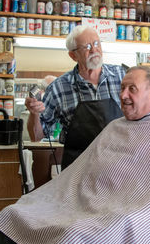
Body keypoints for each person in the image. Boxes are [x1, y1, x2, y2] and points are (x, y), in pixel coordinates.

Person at [0, 66, 150, 244]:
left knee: (73, 236)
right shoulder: (114, 127)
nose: (123, 95)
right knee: (15, 213)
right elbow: (82, 171)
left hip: (126, 210)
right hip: (90, 200)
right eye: (122, 88)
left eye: (132, 89)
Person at [25, 25, 126, 170]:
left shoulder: (122, 77)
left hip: (120, 168)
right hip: (78, 172)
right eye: (87, 46)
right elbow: (36, 137)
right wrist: (34, 114)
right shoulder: (58, 88)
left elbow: (146, 109)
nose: (94, 49)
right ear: (73, 56)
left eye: (97, 43)